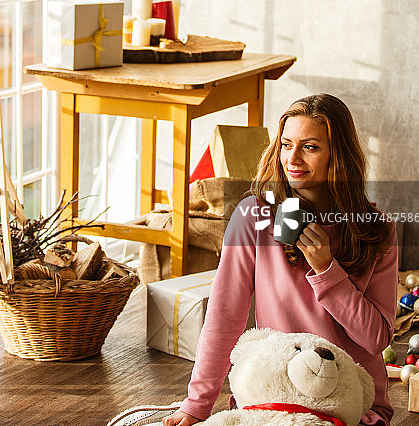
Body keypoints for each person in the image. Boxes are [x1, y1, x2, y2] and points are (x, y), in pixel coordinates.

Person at [163, 93, 398, 426]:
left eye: (310, 147)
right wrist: (196, 406)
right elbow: (224, 319)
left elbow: (377, 338)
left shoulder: (378, 229)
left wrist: (327, 271)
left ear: (339, 155)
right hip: (273, 398)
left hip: (350, 404)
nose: (294, 159)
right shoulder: (254, 217)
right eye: (287, 144)